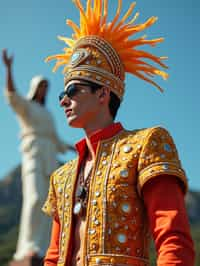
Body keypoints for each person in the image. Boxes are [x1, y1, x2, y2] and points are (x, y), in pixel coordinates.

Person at [42, 1, 195, 265]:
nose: (63, 101)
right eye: (61, 94)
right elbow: (53, 257)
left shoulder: (146, 144)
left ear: (103, 93)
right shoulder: (62, 177)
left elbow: (172, 240)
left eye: (72, 91)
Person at [2, 49, 75, 264]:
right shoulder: (28, 107)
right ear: (35, 89)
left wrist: (75, 147)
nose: (44, 90)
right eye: (41, 87)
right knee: (34, 199)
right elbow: (12, 96)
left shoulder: (49, 114)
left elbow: (56, 140)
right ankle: (28, 246)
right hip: (34, 154)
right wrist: (8, 69)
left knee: (48, 203)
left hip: (50, 158)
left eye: (46, 87)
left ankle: (43, 247)